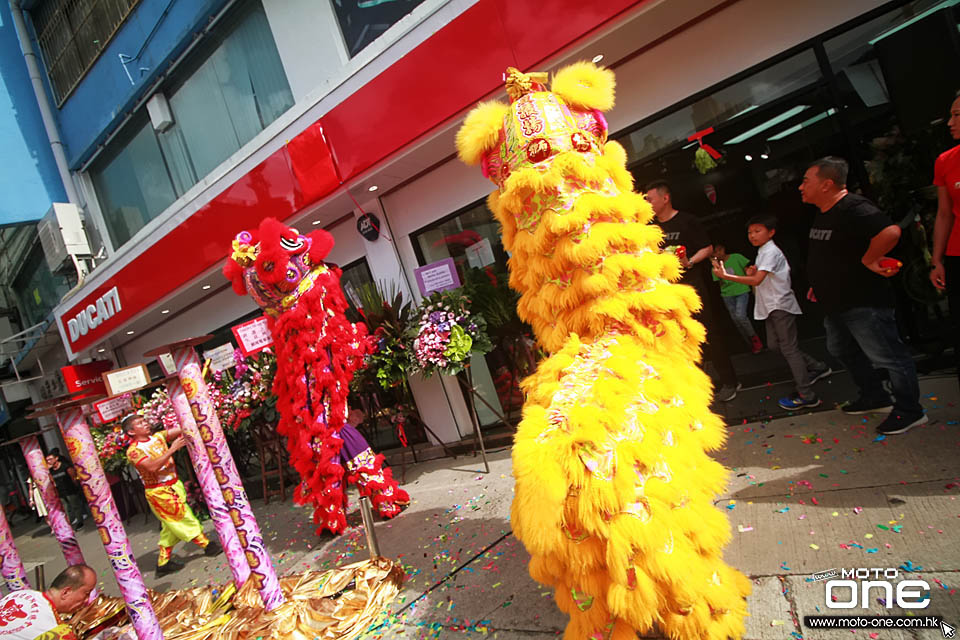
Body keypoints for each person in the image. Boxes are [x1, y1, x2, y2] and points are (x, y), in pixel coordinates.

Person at [800, 156, 925, 435]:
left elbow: (890, 232)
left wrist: (870, 259)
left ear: (827, 184)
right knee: (840, 349)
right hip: (834, 301)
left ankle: (910, 410)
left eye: (806, 181)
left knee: (889, 356)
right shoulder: (825, 210)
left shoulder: (854, 207)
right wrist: (818, 283)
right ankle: (874, 396)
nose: (800, 187)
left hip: (863, 301)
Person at [713, 215, 832, 410]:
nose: (752, 235)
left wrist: (727, 276)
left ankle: (807, 395)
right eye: (750, 232)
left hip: (779, 305)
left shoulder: (770, 252)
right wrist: (752, 273)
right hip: (769, 306)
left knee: (788, 348)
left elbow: (757, 281)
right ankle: (816, 366)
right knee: (775, 346)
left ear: (771, 232)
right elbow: (760, 277)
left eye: (757, 231)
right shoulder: (763, 251)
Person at [645, 180, 741, 401]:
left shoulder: (687, 220)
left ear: (665, 197)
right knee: (677, 336)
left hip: (693, 286)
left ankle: (729, 381)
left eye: (650, 198)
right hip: (666, 290)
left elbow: (707, 247)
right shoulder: (650, 228)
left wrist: (689, 262)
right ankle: (697, 385)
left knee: (708, 332)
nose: (647, 203)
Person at [123, 414, 222, 577]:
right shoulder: (134, 452)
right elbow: (152, 467)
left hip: (173, 485)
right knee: (183, 517)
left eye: (144, 420)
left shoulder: (158, 437)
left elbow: (180, 429)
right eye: (140, 423)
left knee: (171, 526)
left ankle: (163, 563)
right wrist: (173, 448)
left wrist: (195, 419)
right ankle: (207, 545)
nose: (145, 423)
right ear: (132, 432)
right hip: (159, 491)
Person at [929, 92, 960, 389]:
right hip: (957, 254)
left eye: (957, 115)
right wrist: (936, 259)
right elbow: (944, 214)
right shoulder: (946, 161)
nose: (950, 122)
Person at [0, 564, 97, 640]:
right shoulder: (55, 632)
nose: (86, 600)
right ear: (66, 592)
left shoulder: (18, 595)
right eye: (86, 593)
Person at [712, 244, 764, 354]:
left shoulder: (736, 257)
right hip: (727, 294)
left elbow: (747, 272)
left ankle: (755, 340)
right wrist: (716, 268)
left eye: (718, 251)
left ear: (723, 249)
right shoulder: (715, 267)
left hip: (742, 290)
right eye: (714, 254)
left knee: (741, 316)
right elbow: (720, 282)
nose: (717, 255)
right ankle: (749, 344)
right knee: (736, 320)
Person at [45, 454, 84, 531]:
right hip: (61, 492)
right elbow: (52, 481)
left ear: (56, 458)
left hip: (70, 489)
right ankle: (70, 522)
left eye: (50, 459)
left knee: (75, 506)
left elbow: (73, 477)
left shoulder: (65, 466)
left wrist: (76, 486)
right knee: (66, 508)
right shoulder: (51, 471)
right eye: (47, 460)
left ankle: (80, 521)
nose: (49, 461)